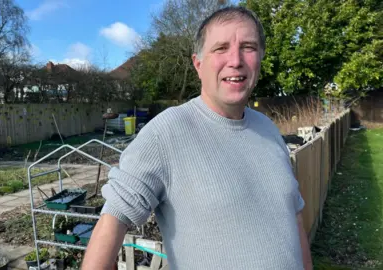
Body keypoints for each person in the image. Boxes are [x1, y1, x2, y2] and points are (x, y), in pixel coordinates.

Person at [82, 6, 313, 270]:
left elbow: (294, 219)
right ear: (198, 64)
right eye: (221, 48)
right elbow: (113, 221)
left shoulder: (269, 130)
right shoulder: (166, 133)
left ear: (260, 57)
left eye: (248, 47)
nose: (235, 60)